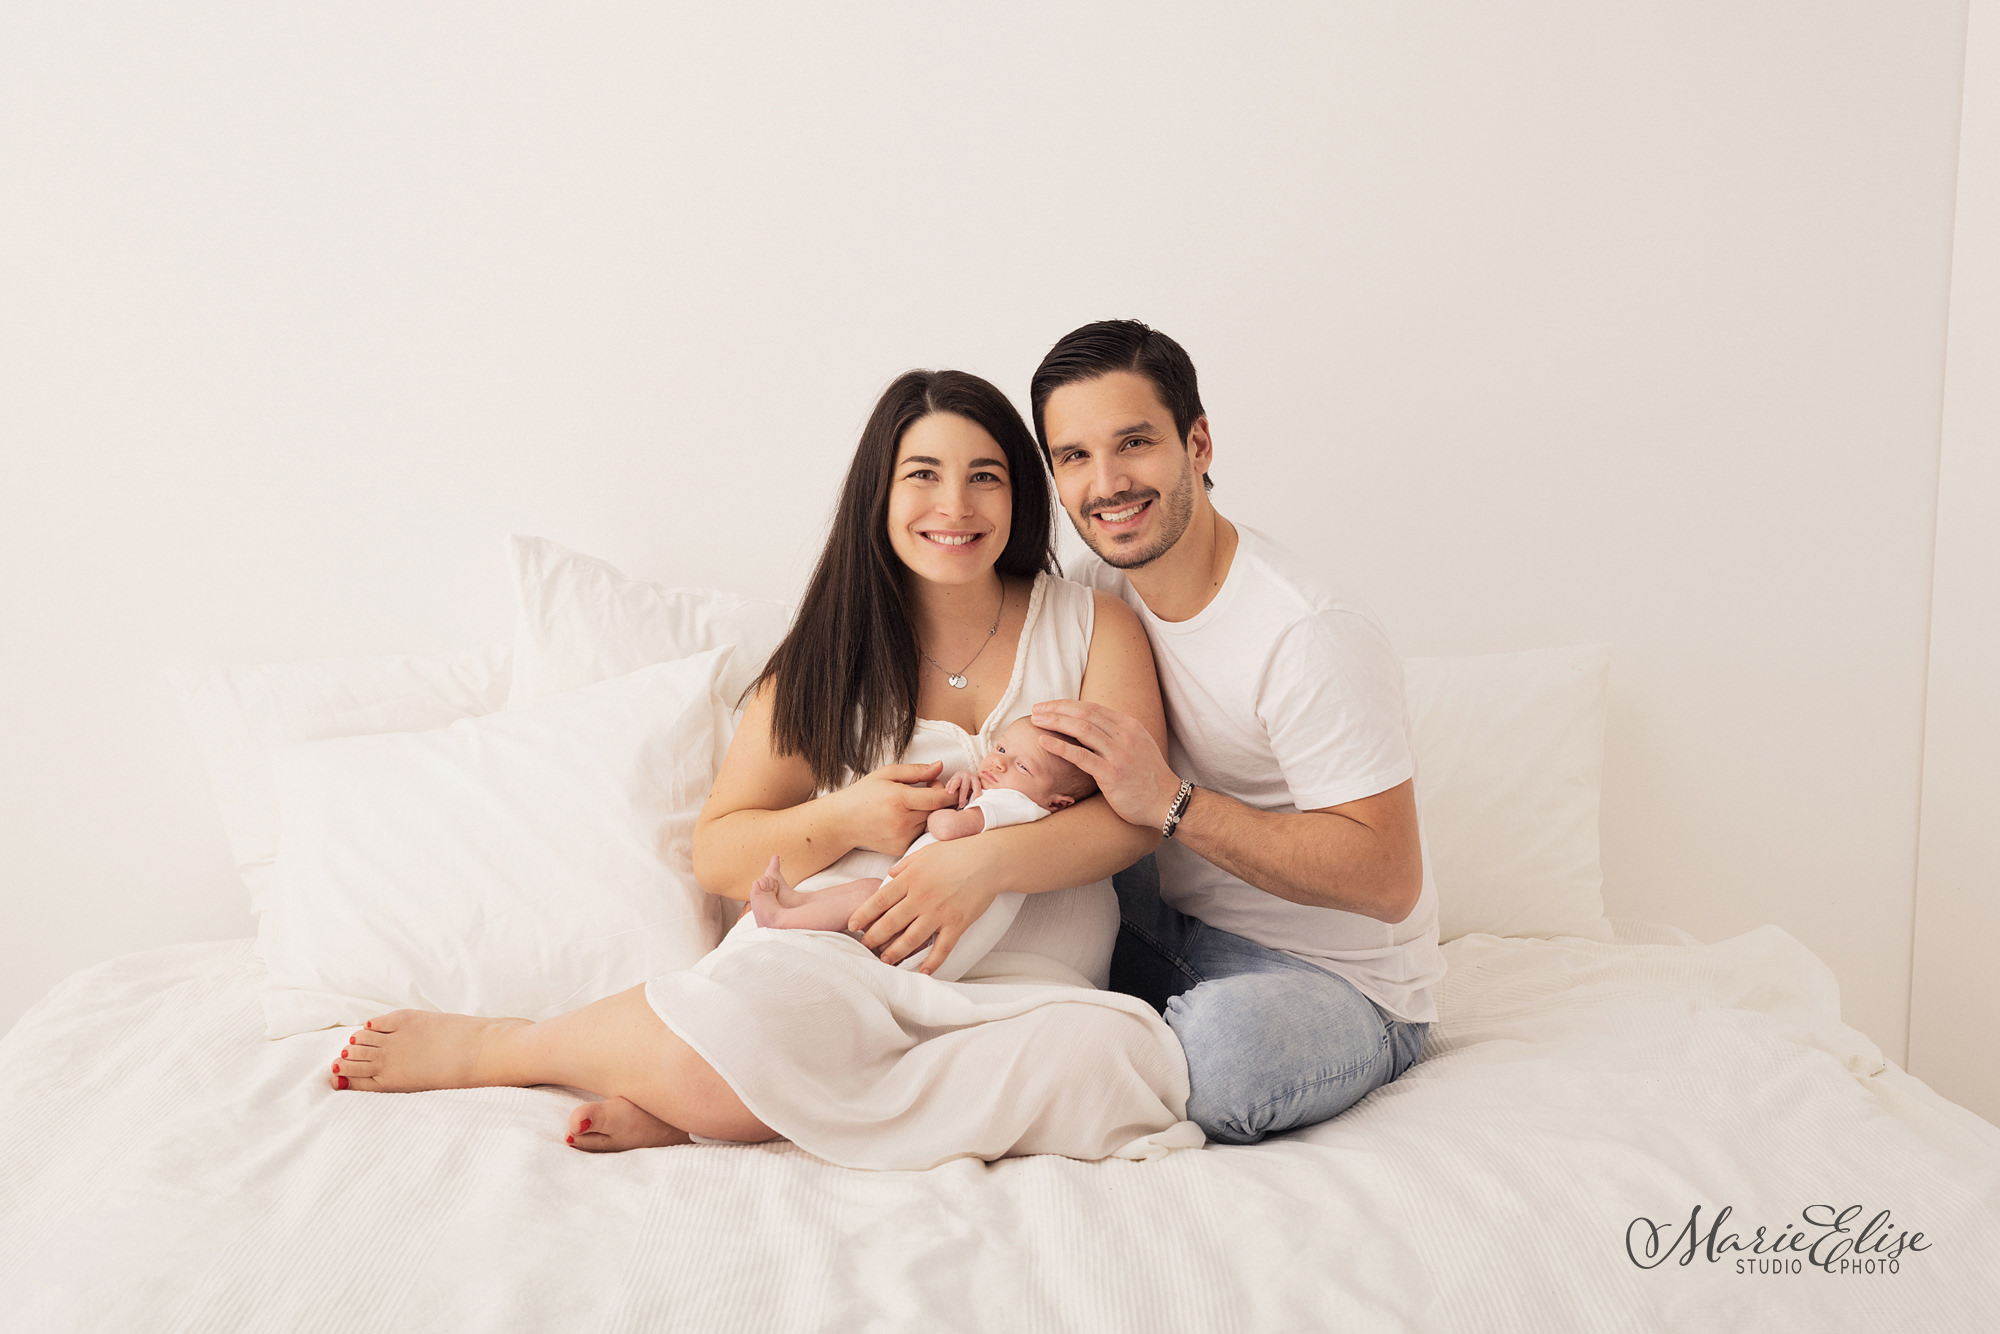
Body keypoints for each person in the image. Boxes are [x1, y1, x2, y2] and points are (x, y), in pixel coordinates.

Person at [326, 369, 1198, 1168]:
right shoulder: (829, 659)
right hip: (841, 969)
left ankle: (728, 1107)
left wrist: (982, 864)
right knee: (748, 1028)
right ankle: (508, 1048)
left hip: (1021, 990)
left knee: (1115, 1065)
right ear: (879, 496)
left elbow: (1131, 814)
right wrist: (852, 818)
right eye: (922, 474)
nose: (955, 504)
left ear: (1018, 496)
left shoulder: (1092, 627)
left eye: (986, 476)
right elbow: (722, 854)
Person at [1022, 319, 1444, 1145]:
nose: (1106, 484)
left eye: (1133, 443)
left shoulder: (1306, 631)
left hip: (1336, 983)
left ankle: (1092, 1035)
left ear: (1199, 443)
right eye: (1073, 457)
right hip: (1161, 926)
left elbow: (1388, 876)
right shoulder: (1095, 585)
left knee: (1226, 1057)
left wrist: (1171, 802)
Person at [746, 715, 1098, 983]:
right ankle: (797, 903)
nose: (999, 763)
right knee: (863, 894)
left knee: (866, 896)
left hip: (926, 926)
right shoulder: (1018, 806)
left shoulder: (1016, 806)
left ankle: (782, 919)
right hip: (932, 921)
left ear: (1059, 803)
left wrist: (947, 801)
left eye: (1022, 765)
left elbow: (946, 828)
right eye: (1002, 749)